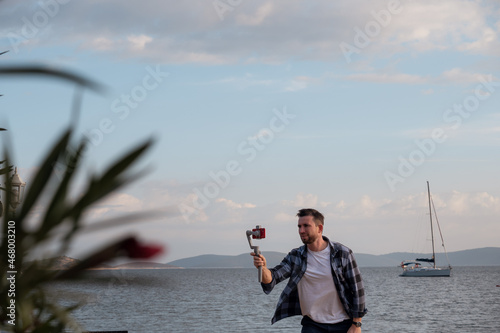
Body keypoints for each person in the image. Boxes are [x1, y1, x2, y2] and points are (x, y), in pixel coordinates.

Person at [251, 208, 367, 333]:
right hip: (312, 325)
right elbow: (272, 278)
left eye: (306, 226)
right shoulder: (296, 256)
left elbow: (357, 289)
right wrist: (262, 267)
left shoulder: (342, 253)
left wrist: (357, 324)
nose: (301, 230)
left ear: (320, 228)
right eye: (299, 226)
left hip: (343, 324)